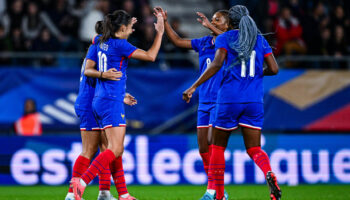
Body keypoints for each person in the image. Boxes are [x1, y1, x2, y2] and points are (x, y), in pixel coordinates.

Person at [183, 5, 281, 200]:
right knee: (254, 148)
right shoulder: (259, 40)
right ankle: (268, 172)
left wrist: (193, 86)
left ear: (231, 22)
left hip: (229, 100)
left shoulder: (224, 38)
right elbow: (274, 69)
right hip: (254, 101)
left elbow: (217, 64)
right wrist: (256, 73)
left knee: (217, 148)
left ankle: (218, 195)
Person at [71, 10, 164, 200]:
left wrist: (125, 25)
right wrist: (160, 32)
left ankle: (117, 194)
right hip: (107, 101)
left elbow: (97, 44)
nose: (132, 30)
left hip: (101, 99)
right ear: (121, 28)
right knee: (114, 149)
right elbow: (151, 56)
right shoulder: (119, 44)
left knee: (110, 149)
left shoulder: (100, 42)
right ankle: (80, 184)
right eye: (130, 27)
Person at [154, 7, 229, 200]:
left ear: (227, 25)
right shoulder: (204, 42)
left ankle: (212, 192)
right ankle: (219, 191)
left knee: (214, 146)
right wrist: (165, 22)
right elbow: (178, 41)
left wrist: (210, 26)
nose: (213, 22)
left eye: (218, 20)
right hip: (204, 100)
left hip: (221, 100)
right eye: (213, 19)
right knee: (203, 149)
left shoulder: (230, 44)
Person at [65, 21, 136, 200]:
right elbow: (97, 75)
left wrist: (121, 96)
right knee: (90, 151)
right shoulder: (100, 47)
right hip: (90, 103)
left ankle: (105, 192)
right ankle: (72, 194)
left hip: (94, 101)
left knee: (108, 148)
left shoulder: (97, 46)